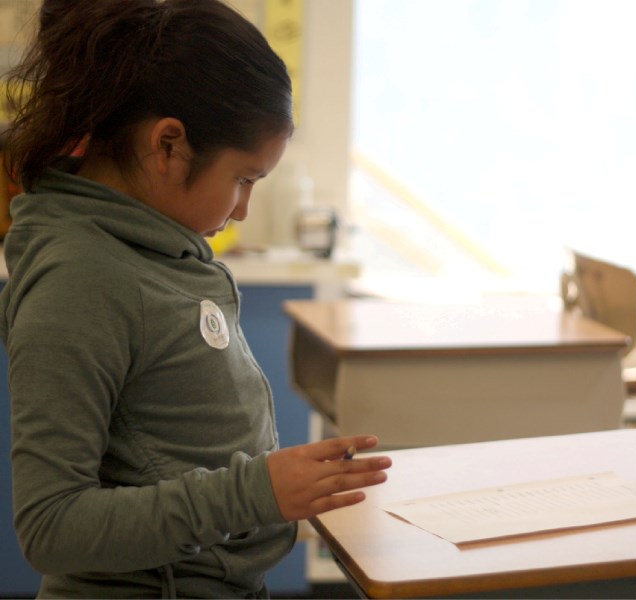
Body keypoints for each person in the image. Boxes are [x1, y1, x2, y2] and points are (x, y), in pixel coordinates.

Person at [0, 1, 391, 598]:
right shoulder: (78, 281)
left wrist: (294, 487)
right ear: (169, 145)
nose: (242, 210)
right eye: (243, 179)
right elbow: (51, 527)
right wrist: (255, 493)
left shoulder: (160, 252)